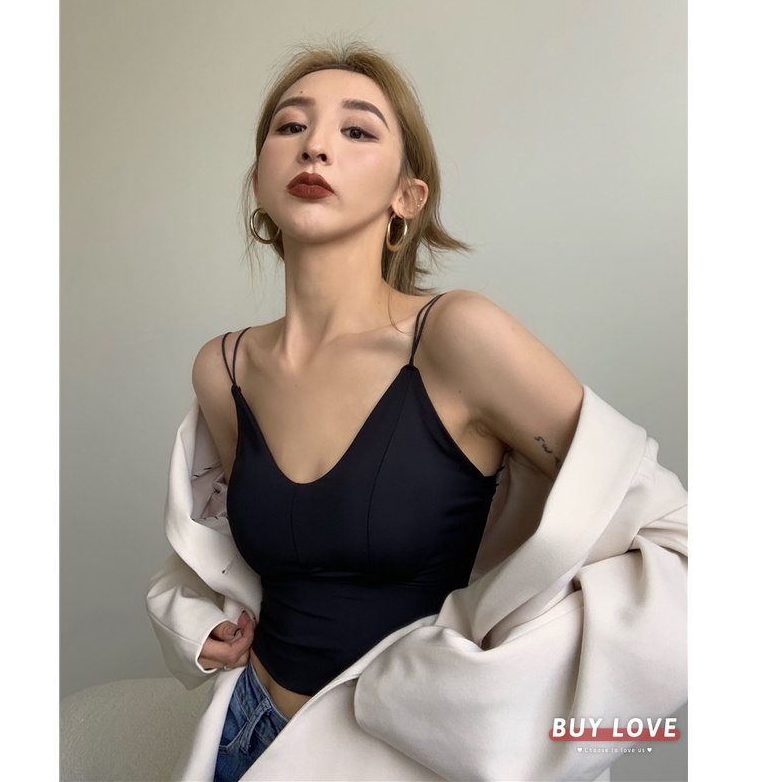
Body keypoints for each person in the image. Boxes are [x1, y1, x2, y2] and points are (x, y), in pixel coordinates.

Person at [147, 41, 687, 782]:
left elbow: (677, 538)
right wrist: (198, 624)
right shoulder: (224, 367)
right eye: (290, 126)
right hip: (247, 741)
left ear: (408, 197)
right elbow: (239, 553)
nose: (315, 146)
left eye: (357, 130)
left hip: (401, 760)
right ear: (259, 184)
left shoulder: (458, 338)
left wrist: (487, 698)